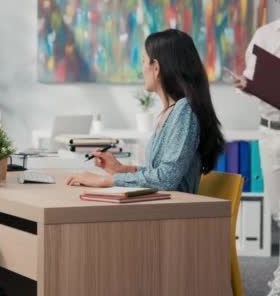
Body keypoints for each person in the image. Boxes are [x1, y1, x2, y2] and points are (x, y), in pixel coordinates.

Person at [65, 29, 225, 194]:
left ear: (156, 68)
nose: (141, 69)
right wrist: (121, 169)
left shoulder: (184, 111)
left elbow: (166, 179)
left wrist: (105, 180)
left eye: (143, 61)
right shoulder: (167, 113)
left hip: (175, 214)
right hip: (158, 208)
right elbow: (157, 173)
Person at [234, 0, 280, 295]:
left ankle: (278, 281)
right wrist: (248, 85)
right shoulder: (264, 35)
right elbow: (254, 80)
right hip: (270, 133)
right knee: (277, 210)